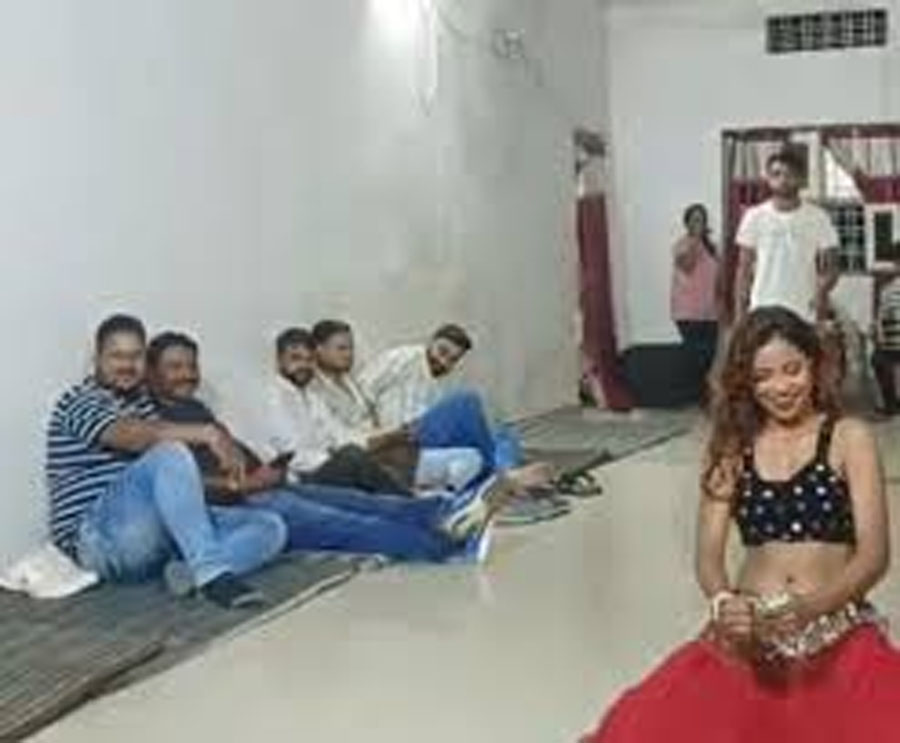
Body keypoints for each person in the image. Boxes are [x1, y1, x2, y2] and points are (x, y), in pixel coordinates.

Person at [580, 306, 900, 742]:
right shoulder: (733, 446)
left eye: (792, 370)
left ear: (814, 364)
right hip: (751, 634)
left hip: (836, 630)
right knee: (645, 728)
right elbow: (708, 556)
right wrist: (723, 602)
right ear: (745, 382)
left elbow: (874, 556)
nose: (781, 387)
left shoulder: (849, 437)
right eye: (763, 376)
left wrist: (812, 607)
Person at [146, 331, 510, 564]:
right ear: (152, 372)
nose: (187, 375)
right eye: (174, 368)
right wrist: (245, 483)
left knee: (363, 503)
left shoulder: (195, 409)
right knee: (349, 523)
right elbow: (177, 486)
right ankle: (448, 546)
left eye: (190, 367)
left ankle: (452, 512)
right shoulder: (150, 420)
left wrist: (262, 472)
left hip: (268, 486)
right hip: (239, 504)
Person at [46, 314, 284, 609]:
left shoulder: (142, 403)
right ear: (97, 359)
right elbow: (132, 436)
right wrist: (209, 433)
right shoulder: (79, 400)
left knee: (268, 525)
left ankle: (185, 574)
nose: (127, 365)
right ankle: (212, 575)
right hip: (100, 541)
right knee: (168, 452)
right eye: (117, 356)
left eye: (135, 356)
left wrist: (231, 480)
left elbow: (175, 482)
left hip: (154, 537)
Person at [315, 321, 568, 495]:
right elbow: (365, 393)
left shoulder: (437, 382)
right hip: (403, 436)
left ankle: (507, 470)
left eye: (452, 359)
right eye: (441, 351)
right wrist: (386, 432)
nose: (443, 361)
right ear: (431, 342)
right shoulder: (402, 358)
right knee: (467, 401)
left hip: (422, 438)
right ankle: (504, 475)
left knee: (504, 434)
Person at [262, 327, 419, 495]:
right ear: (280, 360)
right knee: (352, 457)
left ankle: (406, 497)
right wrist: (333, 456)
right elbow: (293, 456)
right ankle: (408, 499)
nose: (303, 366)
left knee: (385, 450)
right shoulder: (274, 399)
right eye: (295, 358)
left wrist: (388, 437)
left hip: (326, 464)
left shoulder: (310, 397)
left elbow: (339, 434)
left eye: (309, 360)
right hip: (302, 478)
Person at [734, 147, 841, 325]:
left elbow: (833, 268)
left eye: (789, 174)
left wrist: (821, 292)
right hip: (763, 308)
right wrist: (739, 316)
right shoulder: (754, 216)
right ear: (768, 179)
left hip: (803, 311)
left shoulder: (818, 217)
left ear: (801, 179)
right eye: (776, 174)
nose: (783, 180)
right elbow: (743, 270)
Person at [670, 203, 720, 379]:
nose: (698, 223)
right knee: (696, 359)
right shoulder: (682, 245)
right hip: (688, 313)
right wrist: (695, 241)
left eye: (701, 219)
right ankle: (693, 390)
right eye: (694, 219)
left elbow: (718, 277)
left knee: (710, 358)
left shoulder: (712, 247)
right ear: (687, 223)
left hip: (711, 313)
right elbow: (687, 266)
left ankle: (706, 391)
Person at [870, 271, 900, 415]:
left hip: (893, 341)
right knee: (881, 362)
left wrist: (878, 331)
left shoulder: (889, 290)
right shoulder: (888, 290)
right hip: (892, 340)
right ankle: (892, 403)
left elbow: (884, 316)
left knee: (879, 362)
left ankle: (891, 404)